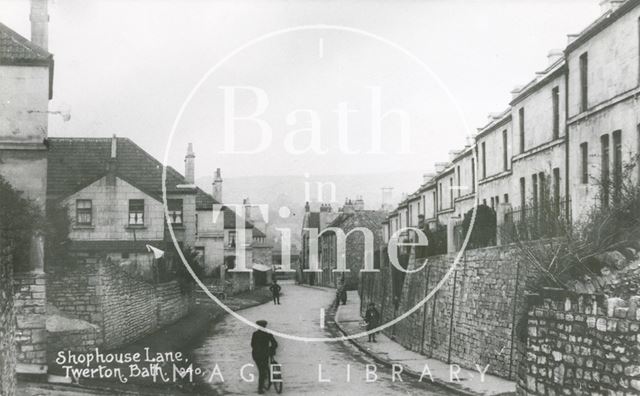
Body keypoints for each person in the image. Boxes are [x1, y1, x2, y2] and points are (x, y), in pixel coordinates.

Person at [251, 320, 278, 394]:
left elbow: (253, 345)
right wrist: (271, 350)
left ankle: (261, 388)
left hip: (257, 355)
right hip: (265, 354)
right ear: (265, 326)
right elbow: (275, 343)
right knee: (263, 370)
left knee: (261, 370)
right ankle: (261, 387)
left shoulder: (255, 334)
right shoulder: (268, 334)